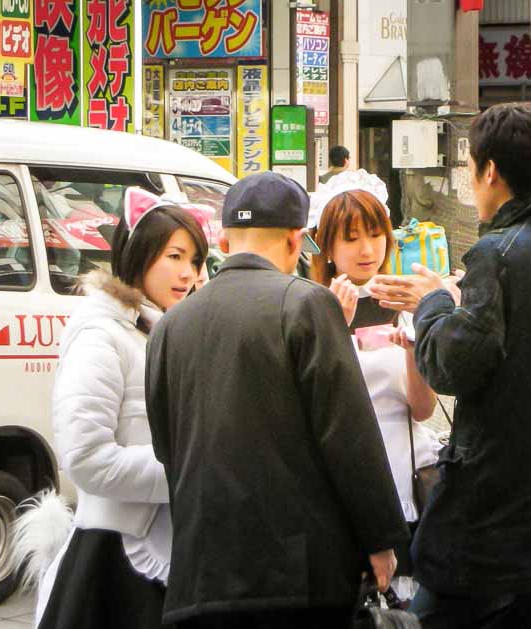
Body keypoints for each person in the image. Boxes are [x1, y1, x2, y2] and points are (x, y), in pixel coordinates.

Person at [368, 103, 531, 629]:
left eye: (470, 168)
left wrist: (433, 300)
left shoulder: (497, 254)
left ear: (489, 171)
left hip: (487, 513)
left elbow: (448, 367)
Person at [145, 172, 409, 629]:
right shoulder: (306, 305)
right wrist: (381, 539)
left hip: (201, 576)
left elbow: (167, 448)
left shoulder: (170, 326)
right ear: (295, 240)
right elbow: (348, 435)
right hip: (297, 576)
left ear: (225, 241)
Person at [36, 187, 209, 629]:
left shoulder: (164, 334)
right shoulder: (101, 335)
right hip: (115, 562)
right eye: (174, 255)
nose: (187, 273)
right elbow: (86, 458)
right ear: (138, 254)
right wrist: (190, 474)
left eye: (194, 260)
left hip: (175, 556)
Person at [310, 185, 440, 602]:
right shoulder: (310, 306)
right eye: (351, 238)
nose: (367, 249)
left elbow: (422, 410)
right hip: (341, 479)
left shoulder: (402, 302)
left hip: (404, 474)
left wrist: (413, 352)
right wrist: (334, 325)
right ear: (327, 245)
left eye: (376, 233)